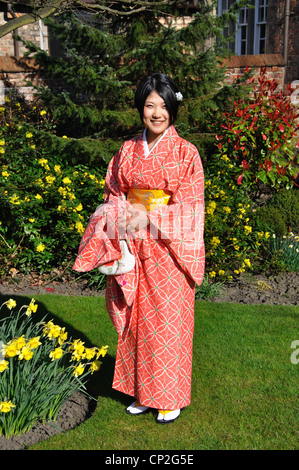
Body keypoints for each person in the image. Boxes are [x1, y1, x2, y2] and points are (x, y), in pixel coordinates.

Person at [73, 73, 205, 424]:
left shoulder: (185, 153)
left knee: (167, 322)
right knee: (137, 321)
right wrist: (120, 217)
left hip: (168, 251)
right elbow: (114, 192)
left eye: (164, 106)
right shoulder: (128, 150)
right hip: (134, 246)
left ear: (173, 109)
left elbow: (191, 209)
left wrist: (148, 214)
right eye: (150, 105)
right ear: (140, 108)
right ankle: (143, 393)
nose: (157, 113)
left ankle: (170, 396)